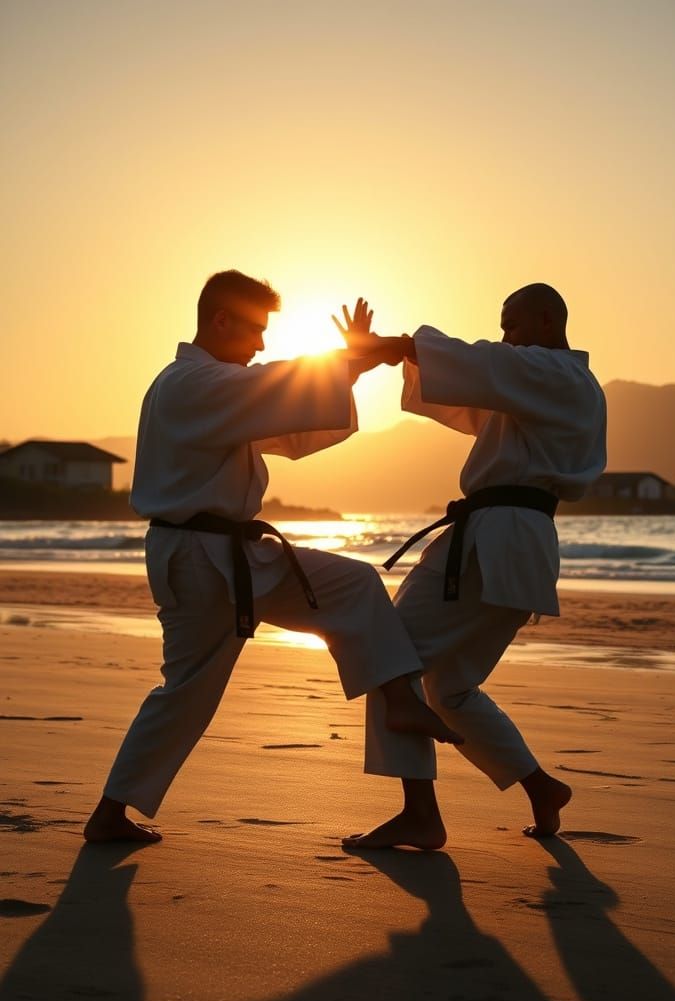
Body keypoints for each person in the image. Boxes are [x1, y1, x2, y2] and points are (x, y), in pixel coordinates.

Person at [83, 271, 461, 844]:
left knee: (355, 587)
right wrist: (354, 357)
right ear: (220, 320)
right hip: (203, 561)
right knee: (186, 693)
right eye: (255, 329)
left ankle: (415, 781)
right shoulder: (192, 384)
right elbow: (275, 388)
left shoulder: (209, 386)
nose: (261, 344)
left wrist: (353, 364)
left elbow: (285, 415)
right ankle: (109, 814)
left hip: (230, 557)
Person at [336, 283, 607, 849]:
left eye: (512, 324)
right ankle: (541, 788)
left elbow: (484, 364)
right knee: (450, 688)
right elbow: (472, 385)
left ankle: (420, 814)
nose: (505, 336)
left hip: (498, 538)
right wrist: (400, 355)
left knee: (387, 651)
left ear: (545, 320)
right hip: (512, 544)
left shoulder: (556, 375)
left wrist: (397, 344)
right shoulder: (537, 386)